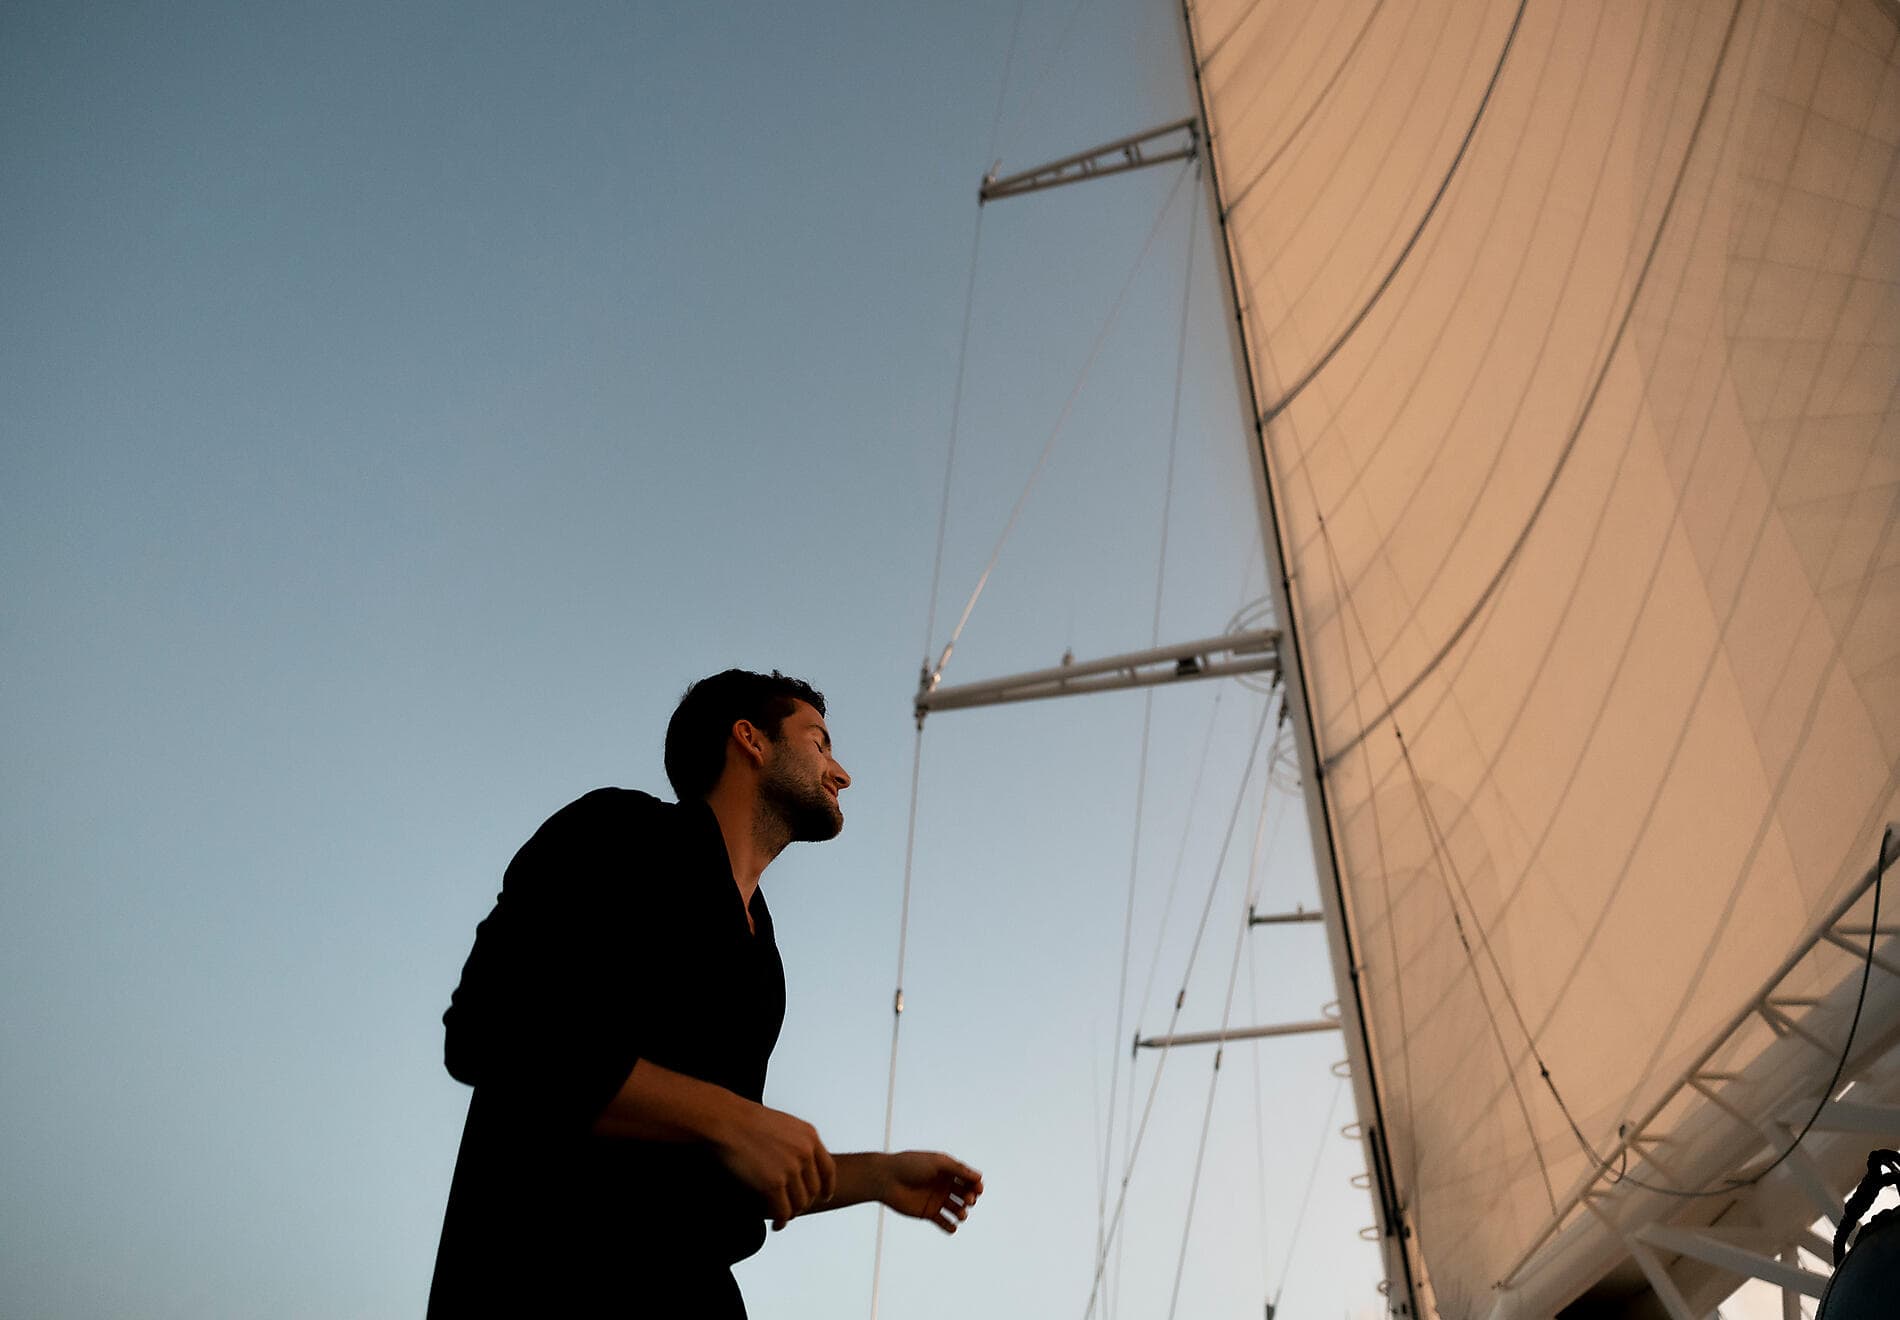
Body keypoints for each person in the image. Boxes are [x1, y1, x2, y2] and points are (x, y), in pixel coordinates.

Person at [428, 669, 982, 1316]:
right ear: (750, 739)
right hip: (543, 1279)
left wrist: (873, 1176)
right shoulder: (619, 832)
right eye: (819, 741)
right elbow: (489, 1032)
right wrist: (734, 1119)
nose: (842, 773)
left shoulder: (762, 957)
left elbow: (721, 1162)